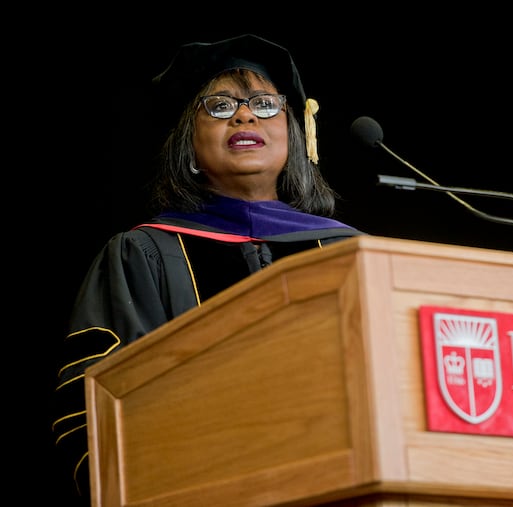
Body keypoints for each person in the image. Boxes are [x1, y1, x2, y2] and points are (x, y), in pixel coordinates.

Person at [51, 33, 363, 503]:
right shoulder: (144, 254)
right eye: (218, 106)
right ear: (189, 144)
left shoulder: (351, 253)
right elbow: (94, 403)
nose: (243, 115)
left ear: (295, 133)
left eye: (264, 103)